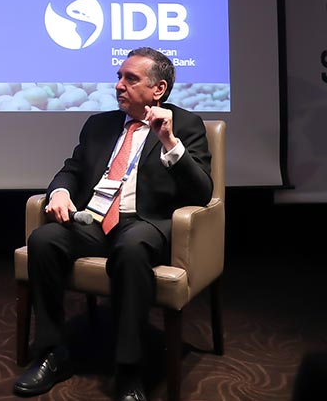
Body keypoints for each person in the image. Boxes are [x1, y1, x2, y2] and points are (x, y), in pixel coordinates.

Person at [13, 47, 212, 401]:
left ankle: (129, 369)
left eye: (130, 79)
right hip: (94, 219)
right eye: (119, 77)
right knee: (44, 239)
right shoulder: (99, 124)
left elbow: (202, 192)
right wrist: (60, 191)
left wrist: (169, 142)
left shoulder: (186, 125)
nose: (119, 85)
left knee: (132, 249)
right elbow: (73, 169)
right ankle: (53, 354)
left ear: (159, 89)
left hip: (145, 222)